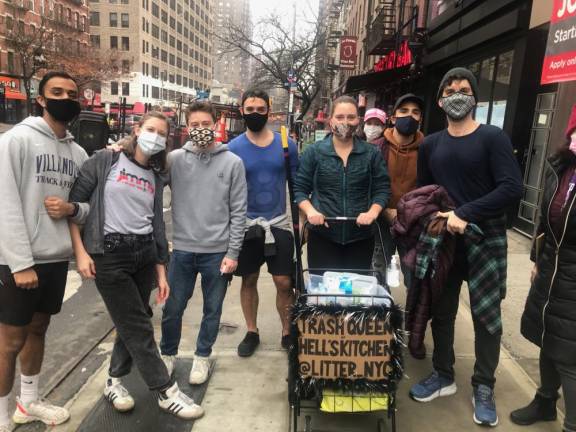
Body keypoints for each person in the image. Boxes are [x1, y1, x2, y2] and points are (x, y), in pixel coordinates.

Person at [68, 112, 203, 420]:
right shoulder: (105, 160)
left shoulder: (157, 173)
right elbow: (74, 207)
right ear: (137, 129)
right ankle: (166, 391)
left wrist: (160, 268)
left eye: (162, 133)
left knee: (134, 319)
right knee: (139, 327)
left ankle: (114, 381)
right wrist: (81, 253)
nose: (155, 136)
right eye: (150, 129)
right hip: (109, 254)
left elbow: (155, 223)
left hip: (143, 253)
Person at [410, 67, 523, 427]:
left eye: (464, 89)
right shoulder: (431, 144)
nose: (457, 94)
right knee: (441, 312)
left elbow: (511, 188)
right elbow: (425, 191)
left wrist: (464, 212)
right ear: (441, 99)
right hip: (444, 244)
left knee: (486, 317)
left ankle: (484, 386)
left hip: (484, 240)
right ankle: (443, 373)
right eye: (450, 89)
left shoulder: (493, 138)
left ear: (474, 97)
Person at [0, 71, 87, 431]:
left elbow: (86, 206)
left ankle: (29, 401)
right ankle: (2, 415)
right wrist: (20, 263)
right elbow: (4, 204)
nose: (65, 97)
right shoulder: (15, 141)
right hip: (17, 261)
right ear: (40, 99)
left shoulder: (79, 153)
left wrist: (72, 210)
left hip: (55, 259)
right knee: (9, 341)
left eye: (71, 92)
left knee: (38, 329)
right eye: (56, 92)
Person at [160, 101, 247, 384]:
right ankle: (168, 354)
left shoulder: (232, 163)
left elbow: (239, 211)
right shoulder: (173, 160)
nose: (200, 130)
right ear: (187, 127)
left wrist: (233, 252)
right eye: (194, 125)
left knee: (213, 309)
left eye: (205, 124)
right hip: (182, 249)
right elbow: (146, 172)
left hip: (218, 252)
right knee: (173, 307)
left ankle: (201, 357)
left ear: (216, 123)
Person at [510, 105, 576, 432]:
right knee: (549, 336)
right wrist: (537, 260)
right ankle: (546, 400)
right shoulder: (560, 168)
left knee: (570, 353)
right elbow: (543, 221)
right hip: (552, 269)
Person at [228, 88, 299, 357]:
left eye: (260, 109)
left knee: (283, 281)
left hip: (278, 224)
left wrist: (301, 221)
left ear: (269, 110)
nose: (255, 114)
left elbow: (297, 185)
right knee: (248, 279)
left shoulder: (286, 145)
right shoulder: (233, 148)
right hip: (246, 225)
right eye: (250, 109)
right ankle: (251, 331)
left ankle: (287, 331)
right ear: (241, 110)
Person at [293, 95, 390, 273]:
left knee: (355, 295)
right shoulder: (314, 152)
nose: (345, 122)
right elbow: (299, 189)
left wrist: (372, 212)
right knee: (323, 296)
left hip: (361, 237)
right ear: (331, 120)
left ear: (358, 120)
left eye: (351, 117)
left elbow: (382, 189)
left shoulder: (372, 154)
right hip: (323, 236)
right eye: (340, 117)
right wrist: (310, 211)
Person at [372, 94, 425, 285]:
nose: (409, 116)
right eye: (403, 111)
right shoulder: (375, 149)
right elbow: (366, 185)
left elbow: (431, 188)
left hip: (413, 225)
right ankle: (382, 313)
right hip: (380, 223)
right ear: (393, 118)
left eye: (415, 112)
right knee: (378, 277)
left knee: (415, 279)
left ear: (420, 119)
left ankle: (413, 314)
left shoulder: (427, 149)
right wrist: (384, 210)